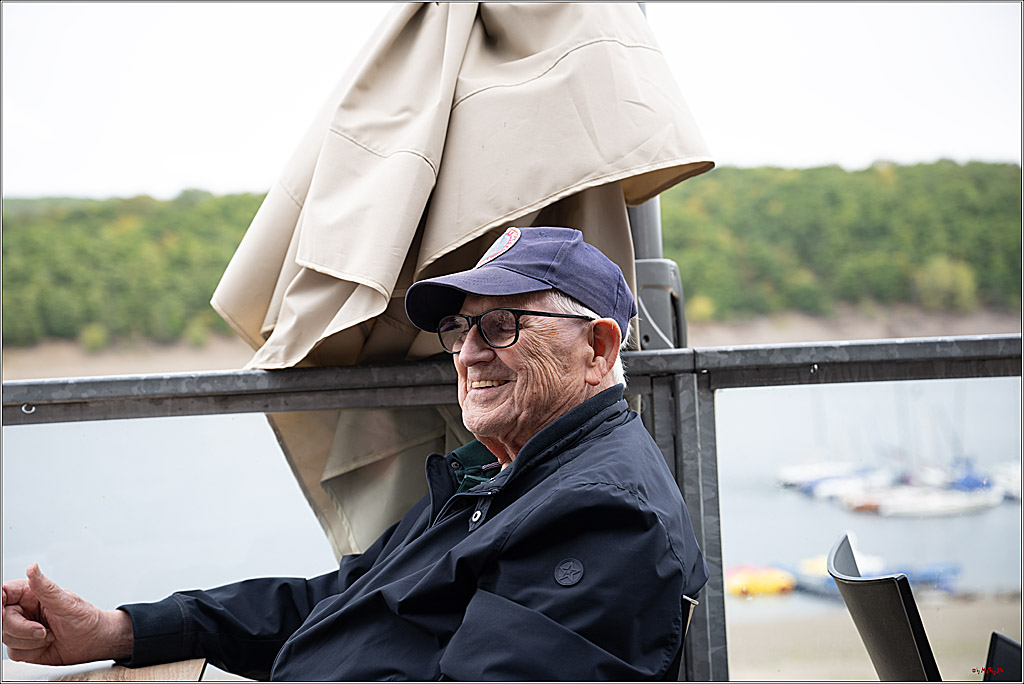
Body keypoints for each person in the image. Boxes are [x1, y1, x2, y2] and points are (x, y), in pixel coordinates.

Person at [2, 226, 709, 680]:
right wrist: (119, 629)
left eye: (501, 324)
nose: (466, 353)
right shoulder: (501, 477)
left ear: (599, 348)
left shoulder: (602, 513)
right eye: (459, 329)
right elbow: (339, 601)